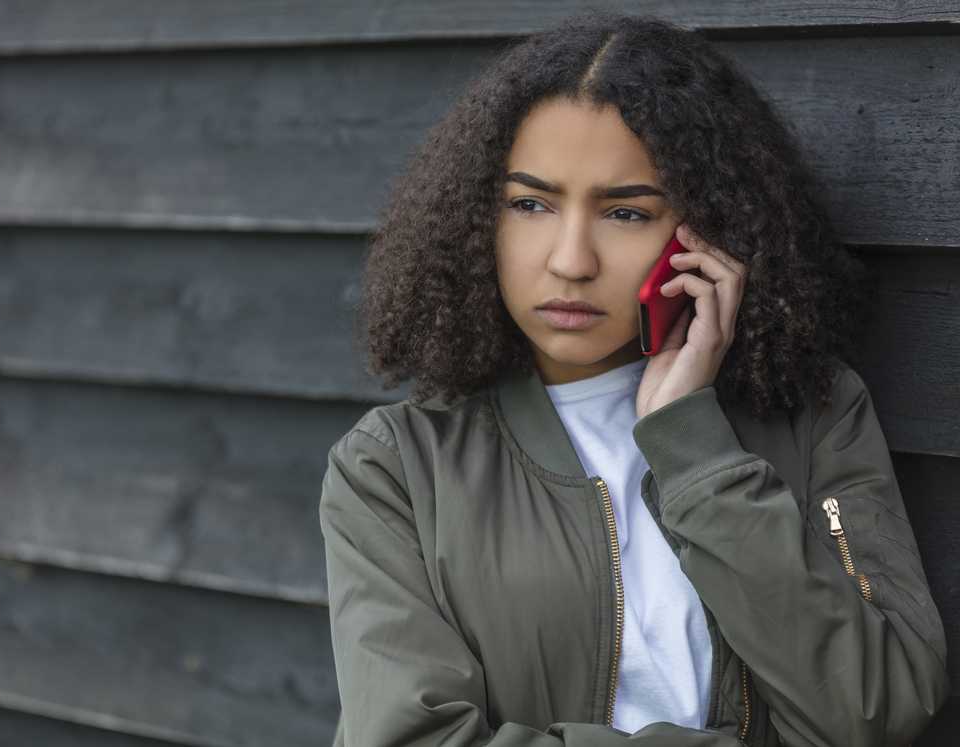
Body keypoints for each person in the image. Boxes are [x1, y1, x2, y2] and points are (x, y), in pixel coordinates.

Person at [317, 12, 948, 747]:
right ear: (476, 219)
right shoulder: (396, 466)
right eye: (530, 204)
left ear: (705, 233)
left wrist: (697, 453)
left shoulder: (815, 415)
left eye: (624, 211)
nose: (571, 259)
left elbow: (881, 705)